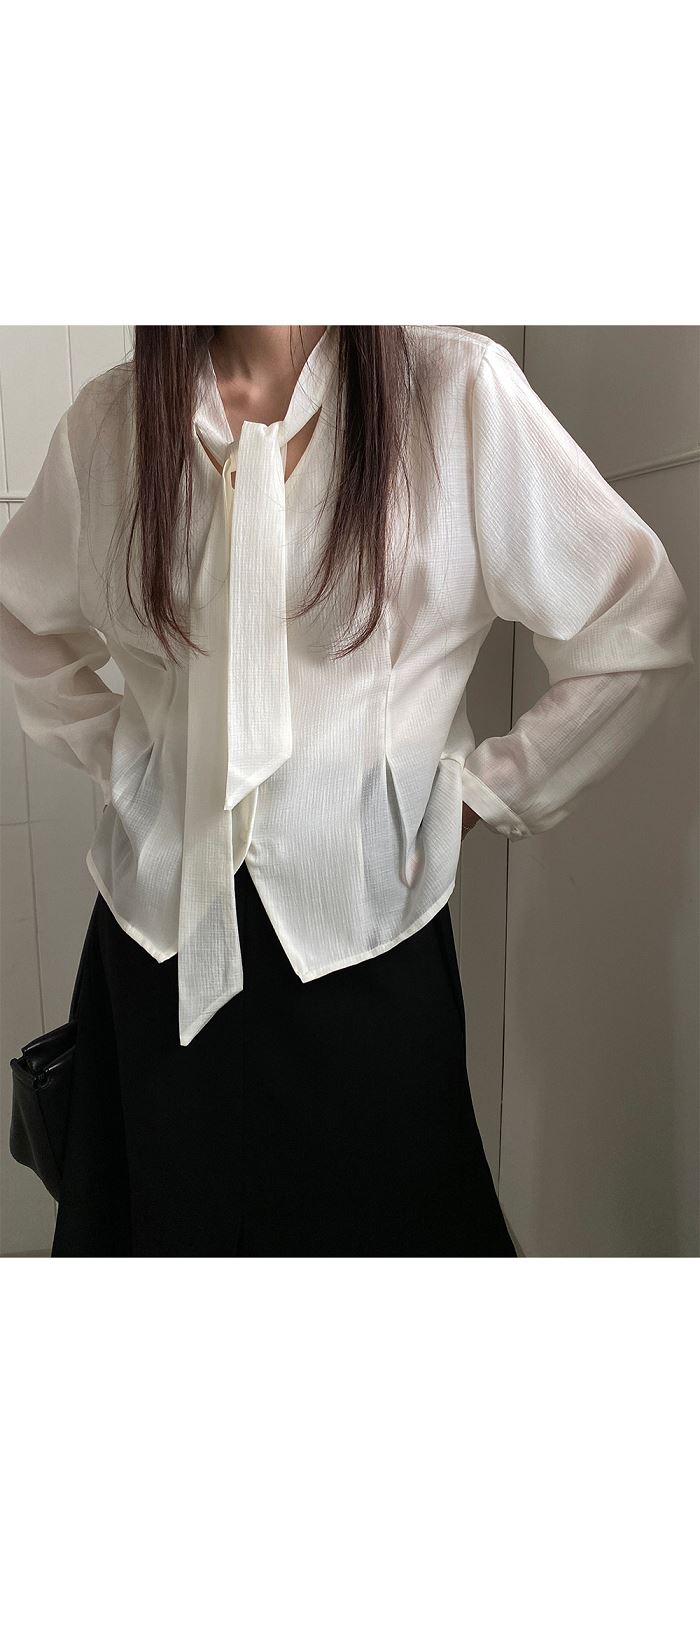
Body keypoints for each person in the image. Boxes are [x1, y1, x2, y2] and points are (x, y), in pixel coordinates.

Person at [0, 325, 693, 1256]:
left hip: (364, 953)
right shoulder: (110, 424)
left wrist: (481, 796)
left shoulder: (455, 393)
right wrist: (126, 762)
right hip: (153, 956)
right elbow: (21, 616)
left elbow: (635, 621)